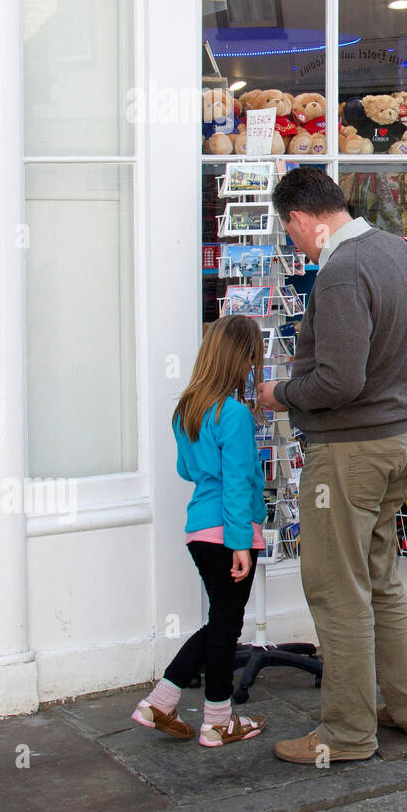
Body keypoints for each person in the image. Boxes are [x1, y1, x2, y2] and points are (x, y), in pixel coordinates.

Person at [258, 167, 407, 764]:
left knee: (338, 594)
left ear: (304, 218)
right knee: (380, 580)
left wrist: (279, 395)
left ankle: (347, 735)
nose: (293, 243)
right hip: (399, 440)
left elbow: (338, 380)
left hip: (349, 454)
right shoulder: (398, 252)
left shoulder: (339, 273)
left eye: (290, 232)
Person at [130, 314, 268, 747]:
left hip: (198, 531)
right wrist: (241, 543)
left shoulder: (187, 410)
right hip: (230, 532)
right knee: (226, 626)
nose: (252, 367)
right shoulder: (235, 415)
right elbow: (239, 481)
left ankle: (161, 700)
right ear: (240, 359)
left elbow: (188, 470)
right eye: (252, 359)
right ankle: (218, 721)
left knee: (219, 623)